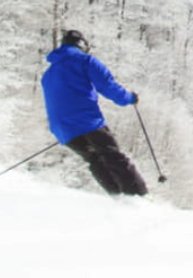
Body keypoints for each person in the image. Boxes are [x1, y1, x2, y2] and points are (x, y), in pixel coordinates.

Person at [39, 29, 147, 196]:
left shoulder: (48, 73)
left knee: (94, 160)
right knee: (113, 156)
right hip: (87, 121)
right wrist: (130, 98)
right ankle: (140, 198)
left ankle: (119, 198)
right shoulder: (85, 61)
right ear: (82, 45)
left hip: (62, 129)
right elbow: (109, 87)